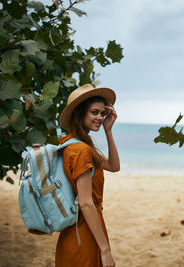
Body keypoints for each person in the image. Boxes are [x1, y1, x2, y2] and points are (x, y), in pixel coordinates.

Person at [55, 84, 120, 267]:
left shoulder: (72, 144)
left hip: (75, 230)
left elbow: (114, 166)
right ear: (80, 113)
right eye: (94, 112)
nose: (100, 117)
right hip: (84, 231)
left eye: (102, 113)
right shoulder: (81, 150)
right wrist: (105, 250)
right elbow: (85, 202)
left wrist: (108, 130)